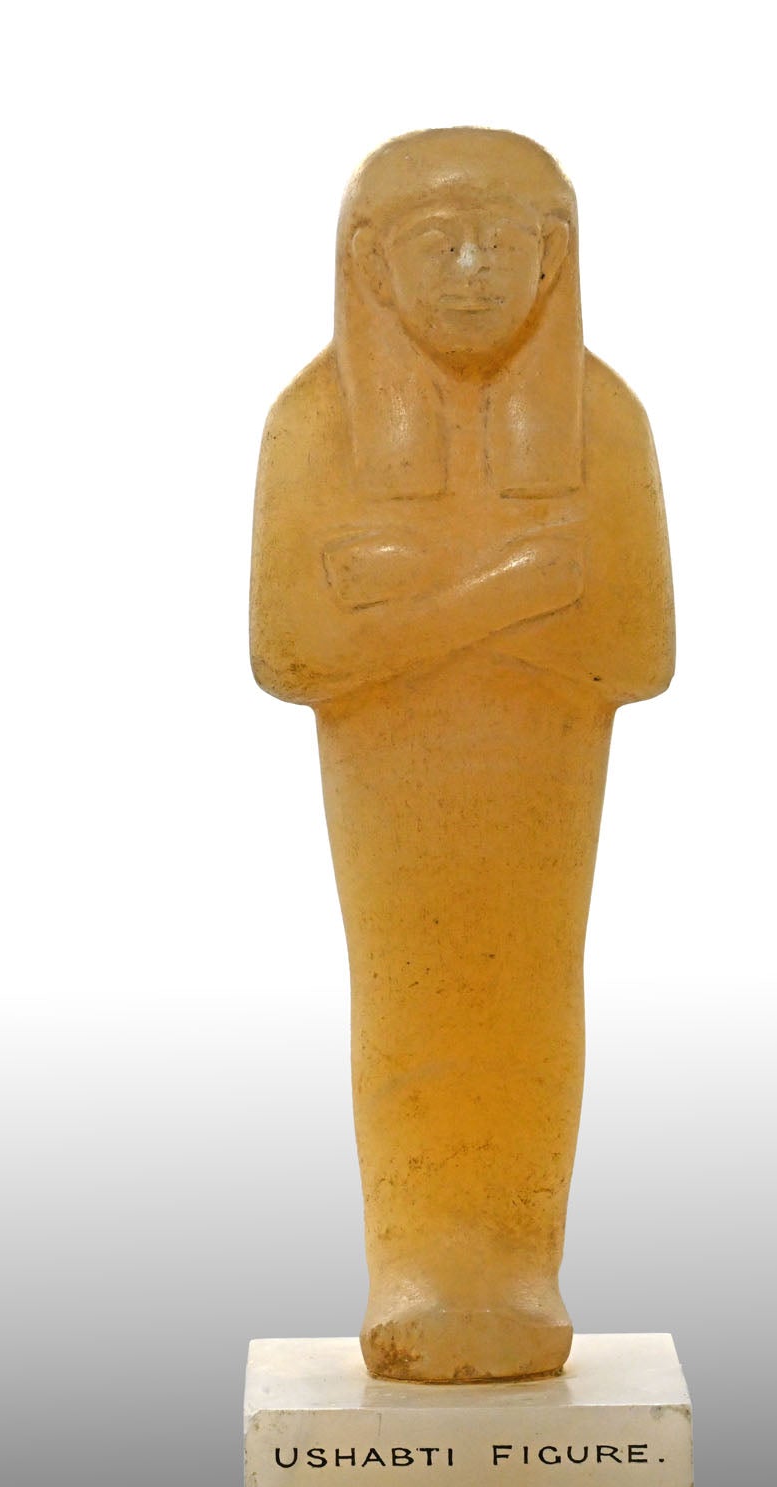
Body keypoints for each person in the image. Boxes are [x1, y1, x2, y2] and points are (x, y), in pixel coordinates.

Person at [250, 128, 675, 1382]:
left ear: (558, 258)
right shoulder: (314, 422)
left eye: (503, 242)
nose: (475, 270)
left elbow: (638, 649)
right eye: (439, 242)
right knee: (406, 990)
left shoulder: (605, 421)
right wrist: (513, 589)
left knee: (530, 989)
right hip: (392, 782)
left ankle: (514, 1263)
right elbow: (292, 652)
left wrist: (415, 598)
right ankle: (417, 1266)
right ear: (368, 262)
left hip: (540, 774)